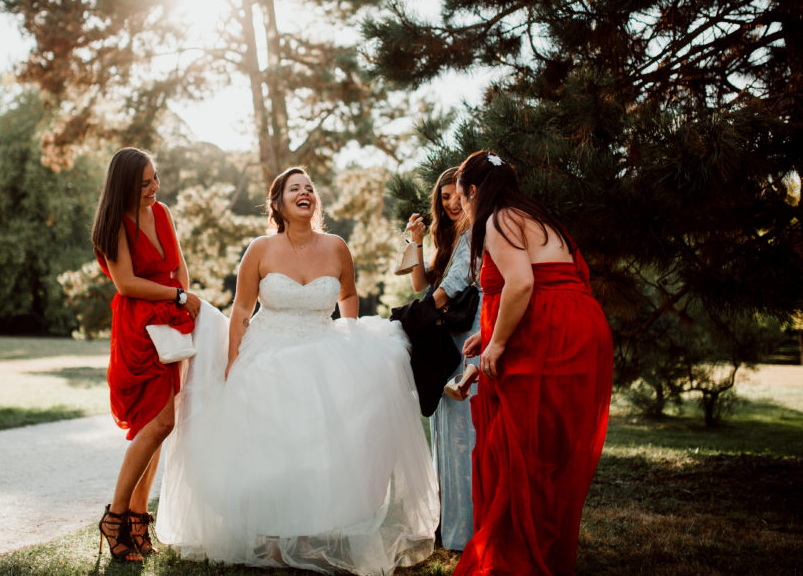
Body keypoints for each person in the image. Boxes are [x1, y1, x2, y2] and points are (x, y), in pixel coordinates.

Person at [156, 167, 439, 575]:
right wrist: (234, 359)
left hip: (321, 346)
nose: (304, 193)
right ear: (279, 202)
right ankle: (272, 536)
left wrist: (352, 339)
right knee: (272, 442)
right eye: (295, 188)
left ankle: (304, 530)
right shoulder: (260, 248)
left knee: (315, 444)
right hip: (268, 349)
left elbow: (348, 294)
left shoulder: (337, 246)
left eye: (309, 188)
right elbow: (241, 309)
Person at [452, 150, 613, 575]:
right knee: (550, 447)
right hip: (580, 327)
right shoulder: (535, 216)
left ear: (472, 191)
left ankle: (519, 557)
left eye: (461, 198)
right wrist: (487, 334)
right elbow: (555, 279)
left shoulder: (497, 219)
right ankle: (544, 550)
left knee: (525, 450)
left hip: (549, 337)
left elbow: (522, 284)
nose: (463, 209)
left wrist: (498, 344)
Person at [89, 147, 202, 562]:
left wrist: (182, 304)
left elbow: (180, 270)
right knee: (155, 424)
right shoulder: (113, 225)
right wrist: (177, 295)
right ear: (124, 187)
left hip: (170, 327)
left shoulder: (163, 213)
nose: (155, 188)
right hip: (139, 331)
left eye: (155, 178)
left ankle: (137, 517)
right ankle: (115, 516)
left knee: (160, 426)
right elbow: (126, 283)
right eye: (144, 184)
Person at [405, 167, 481, 552]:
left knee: (464, 432)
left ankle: (465, 531)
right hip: (445, 340)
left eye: (457, 195)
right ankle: (447, 523)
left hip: (469, 339)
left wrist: (411, 318)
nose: (452, 203)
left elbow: (450, 289)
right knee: (444, 431)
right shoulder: (452, 238)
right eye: (444, 197)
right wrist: (417, 241)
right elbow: (422, 284)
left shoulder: (477, 233)